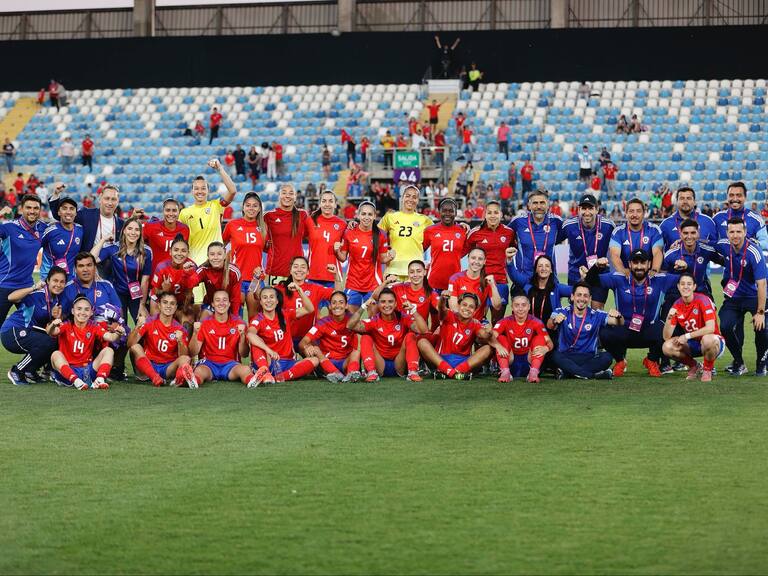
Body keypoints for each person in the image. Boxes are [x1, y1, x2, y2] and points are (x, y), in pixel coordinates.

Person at [585, 250, 680, 377]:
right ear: (629, 264)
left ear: (649, 264)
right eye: (635, 262)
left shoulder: (660, 280)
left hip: (649, 329)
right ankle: (620, 360)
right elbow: (590, 281)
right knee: (604, 332)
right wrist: (596, 267)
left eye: (643, 262)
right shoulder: (618, 279)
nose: (639, 266)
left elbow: (687, 280)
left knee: (671, 330)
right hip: (625, 329)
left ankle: (651, 360)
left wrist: (685, 268)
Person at [714, 218, 768, 376]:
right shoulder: (723, 245)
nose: (735, 235)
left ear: (745, 232)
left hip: (754, 297)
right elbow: (703, 243)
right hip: (734, 298)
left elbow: (762, 284)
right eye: (732, 231)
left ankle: (761, 363)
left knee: (762, 328)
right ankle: (739, 362)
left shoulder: (754, 252)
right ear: (727, 233)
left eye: (739, 231)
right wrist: (681, 243)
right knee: (725, 327)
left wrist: (760, 313)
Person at [178, 159, 236, 304]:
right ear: (192, 191)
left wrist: (220, 168)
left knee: (218, 303)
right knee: (197, 306)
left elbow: (233, 191)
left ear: (208, 190)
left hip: (215, 264)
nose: (200, 191)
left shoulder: (216, 205)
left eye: (203, 188)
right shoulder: (185, 213)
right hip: (195, 266)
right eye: (196, 188)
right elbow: (181, 241)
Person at [347, 288, 427, 382]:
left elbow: (423, 330)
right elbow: (350, 325)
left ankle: (413, 372)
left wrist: (413, 310)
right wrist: (363, 306)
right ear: (378, 304)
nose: (387, 305)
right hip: (380, 364)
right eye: (383, 302)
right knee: (366, 337)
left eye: (390, 302)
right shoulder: (374, 321)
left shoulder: (403, 317)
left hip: (400, 364)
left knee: (411, 336)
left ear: (396, 304)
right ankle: (371, 372)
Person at [2, 268, 66, 385]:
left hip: (28, 333)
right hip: (12, 331)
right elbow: (11, 297)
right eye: (55, 281)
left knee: (54, 341)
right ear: (48, 281)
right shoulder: (38, 294)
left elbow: (47, 330)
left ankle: (30, 371)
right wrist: (34, 287)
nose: (58, 284)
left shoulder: (55, 301)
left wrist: (54, 319)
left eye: (62, 282)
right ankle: (16, 371)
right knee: (46, 342)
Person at [48, 296, 125, 390]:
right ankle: (76, 381)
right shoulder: (66, 325)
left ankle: (100, 379)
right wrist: (53, 325)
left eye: (86, 309)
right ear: (73, 311)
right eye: (79, 309)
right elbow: (51, 332)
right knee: (55, 354)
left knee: (109, 350)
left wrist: (118, 333)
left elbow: (111, 337)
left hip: (87, 371)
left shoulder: (94, 326)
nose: (83, 312)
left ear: (91, 312)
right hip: (68, 371)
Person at [547, 282, 620, 380]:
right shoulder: (562, 311)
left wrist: (618, 316)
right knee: (553, 355)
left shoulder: (596, 314)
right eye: (579, 295)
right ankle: (592, 375)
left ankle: (567, 372)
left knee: (607, 357)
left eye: (585, 296)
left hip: (588, 357)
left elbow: (618, 322)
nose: (582, 299)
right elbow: (549, 325)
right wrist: (555, 321)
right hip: (566, 355)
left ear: (590, 298)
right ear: (572, 297)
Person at [247, 286, 319, 384]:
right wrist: (269, 350)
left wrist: (299, 290)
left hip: (288, 362)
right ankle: (266, 372)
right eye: (265, 297)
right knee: (256, 342)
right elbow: (250, 335)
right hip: (269, 361)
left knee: (314, 360)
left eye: (272, 297)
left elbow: (309, 309)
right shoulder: (258, 319)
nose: (268, 300)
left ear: (277, 301)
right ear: (260, 302)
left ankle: (278, 378)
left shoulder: (285, 314)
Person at [662, 273, 725, 383]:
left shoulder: (703, 300)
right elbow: (666, 336)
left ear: (694, 287)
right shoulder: (676, 305)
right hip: (693, 344)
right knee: (667, 347)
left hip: (714, 342)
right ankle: (694, 366)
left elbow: (710, 328)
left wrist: (686, 336)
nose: (685, 286)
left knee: (707, 339)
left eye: (689, 284)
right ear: (678, 286)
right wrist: (669, 317)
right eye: (682, 284)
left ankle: (707, 369)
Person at [188, 290, 259, 388]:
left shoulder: (239, 323)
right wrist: (195, 334)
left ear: (229, 303)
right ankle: (193, 381)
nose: (221, 303)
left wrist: (242, 336)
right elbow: (193, 352)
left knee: (246, 370)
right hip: (209, 364)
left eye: (225, 300)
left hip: (231, 365)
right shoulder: (204, 324)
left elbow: (244, 354)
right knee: (199, 371)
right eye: (217, 300)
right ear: (212, 304)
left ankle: (252, 380)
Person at [91, 216, 152, 324]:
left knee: (143, 323)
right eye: (130, 229)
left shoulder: (146, 251)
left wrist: (142, 305)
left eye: (137, 230)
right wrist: (103, 240)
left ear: (140, 233)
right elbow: (92, 258)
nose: (133, 232)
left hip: (137, 294)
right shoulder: (114, 248)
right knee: (120, 326)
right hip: (118, 293)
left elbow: (145, 280)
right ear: (124, 230)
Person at [558, 193, 615, 309]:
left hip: (600, 274)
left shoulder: (608, 226)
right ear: (579, 210)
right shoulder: (569, 225)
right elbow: (551, 241)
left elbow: (619, 246)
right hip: (577, 274)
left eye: (590, 208)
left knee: (597, 310)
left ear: (597, 209)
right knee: (576, 311)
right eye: (584, 208)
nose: (587, 212)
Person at [127, 291, 194, 388]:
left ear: (175, 307)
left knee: (186, 359)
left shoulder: (180, 329)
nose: (168, 306)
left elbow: (183, 356)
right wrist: (137, 327)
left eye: (172, 303)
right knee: (135, 347)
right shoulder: (149, 321)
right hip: (148, 365)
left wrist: (180, 342)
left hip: (167, 368)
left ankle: (179, 380)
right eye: (165, 302)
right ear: (159, 305)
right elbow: (130, 344)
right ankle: (155, 377)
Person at [418, 292, 493, 379]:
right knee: (422, 342)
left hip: (463, 362)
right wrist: (442, 299)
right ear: (458, 305)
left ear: (475, 310)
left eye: (471, 307)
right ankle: (453, 373)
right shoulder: (449, 315)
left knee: (488, 348)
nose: (467, 308)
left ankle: (451, 371)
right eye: (464, 305)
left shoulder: (475, 323)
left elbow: (484, 335)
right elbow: (441, 308)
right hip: (441, 359)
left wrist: (489, 331)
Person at [336, 201, 394, 312]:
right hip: (353, 283)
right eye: (363, 214)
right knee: (350, 322)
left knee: (374, 321)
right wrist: (336, 250)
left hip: (373, 285)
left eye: (369, 214)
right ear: (358, 215)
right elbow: (342, 258)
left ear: (374, 216)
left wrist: (391, 256)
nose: (366, 217)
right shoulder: (349, 232)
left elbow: (382, 259)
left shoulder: (381, 234)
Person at [0, 195, 47, 326]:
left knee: (36, 323)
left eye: (36, 208)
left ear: (40, 210)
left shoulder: (43, 228)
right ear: (21, 209)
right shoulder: (9, 227)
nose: (32, 211)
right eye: (28, 207)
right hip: (4, 285)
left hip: (26, 286)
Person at [274, 256, 341, 348]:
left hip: (308, 337)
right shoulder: (281, 288)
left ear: (308, 272)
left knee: (315, 357)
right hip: (286, 336)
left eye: (303, 267)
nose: (299, 269)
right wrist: (256, 280)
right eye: (296, 266)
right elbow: (262, 297)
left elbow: (337, 296)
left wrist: (336, 277)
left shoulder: (315, 288)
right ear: (290, 270)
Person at [465, 200, 514, 322]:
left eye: (496, 213)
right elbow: (467, 252)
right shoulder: (475, 233)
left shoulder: (509, 233)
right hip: (480, 282)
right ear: (485, 215)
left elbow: (514, 251)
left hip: (500, 282)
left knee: (497, 322)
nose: (493, 216)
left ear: (501, 215)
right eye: (489, 212)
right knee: (477, 321)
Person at [299, 291, 362, 383]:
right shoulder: (322, 323)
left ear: (346, 306)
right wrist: (307, 347)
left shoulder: (352, 321)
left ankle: (351, 373)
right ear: (330, 306)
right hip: (327, 361)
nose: (337, 305)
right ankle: (336, 373)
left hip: (345, 361)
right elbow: (303, 342)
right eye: (334, 302)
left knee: (356, 351)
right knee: (316, 349)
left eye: (341, 302)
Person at [491, 293, 554, 383]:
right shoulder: (504, 321)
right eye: (517, 305)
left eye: (523, 305)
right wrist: (498, 346)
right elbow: (490, 338)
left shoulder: (536, 322)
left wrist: (546, 348)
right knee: (500, 338)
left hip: (528, 361)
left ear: (529, 307)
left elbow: (550, 342)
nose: (520, 309)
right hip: (510, 361)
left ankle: (533, 373)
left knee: (540, 338)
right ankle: (505, 372)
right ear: (512, 307)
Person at [49, 183, 125, 253]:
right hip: (88, 264)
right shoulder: (86, 214)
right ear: (100, 198)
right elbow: (59, 215)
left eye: (113, 199)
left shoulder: (122, 224)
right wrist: (56, 194)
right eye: (107, 198)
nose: (110, 203)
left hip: (111, 266)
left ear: (118, 201)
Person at [377, 185, 433, 279]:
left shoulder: (425, 220)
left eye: (414, 197)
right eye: (407, 196)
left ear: (418, 200)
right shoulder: (390, 217)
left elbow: (441, 231)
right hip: (393, 270)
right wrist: (385, 253)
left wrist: (459, 225)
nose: (410, 199)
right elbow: (374, 235)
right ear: (402, 198)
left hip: (416, 271)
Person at [508, 188, 562, 280]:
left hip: (549, 280)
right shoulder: (518, 221)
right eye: (535, 203)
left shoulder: (556, 221)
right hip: (524, 280)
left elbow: (563, 236)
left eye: (542, 203)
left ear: (548, 205)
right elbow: (505, 236)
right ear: (529, 205)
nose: (539, 206)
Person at [506, 252, 572, 326]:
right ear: (536, 269)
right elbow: (515, 276)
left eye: (547, 266)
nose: (543, 268)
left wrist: (584, 278)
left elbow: (576, 291)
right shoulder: (528, 284)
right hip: (529, 332)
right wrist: (509, 260)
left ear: (551, 270)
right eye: (540, 266)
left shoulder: (557, 288)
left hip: (550, 332)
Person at [222, 192, 266, 300]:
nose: (251, 208)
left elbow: (270, 251)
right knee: (237, 315)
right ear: (243, 207)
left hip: (256, 279)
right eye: (248, 205)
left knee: (254, 316)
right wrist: (226, 272)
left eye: (255, 206)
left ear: (260, 208)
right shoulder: (232, 225)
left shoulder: (264, 228)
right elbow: (221, 248)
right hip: (237, 278)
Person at [264, 183, 309, 284]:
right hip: (275, 270)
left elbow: (311, 235)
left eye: (291, 193)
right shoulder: (268, 216)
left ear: (295, 197)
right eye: (284, 193)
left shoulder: (302, 215)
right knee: (274, 300)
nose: (287, 196)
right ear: (279, 196)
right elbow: (262, 242)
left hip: (297, 272)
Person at [149, 236, 198, 327]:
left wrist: (183, 309)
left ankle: (184, 340)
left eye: (183, 251)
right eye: (176, 250)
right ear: (170, 252)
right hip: (160, 298)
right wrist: (165, 290)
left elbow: (189, 293)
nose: (179, 253)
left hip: (181, 300)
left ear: (188, 253)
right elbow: (156, 292)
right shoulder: (161, 267)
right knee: (158, 323)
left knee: (188, 321)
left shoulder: (192, 267)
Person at [608, 198, 664, 275]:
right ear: (626, 213)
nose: (635, 215)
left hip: (648, 277)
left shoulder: (654, 230)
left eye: (638, 211)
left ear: (644, 213)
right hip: (625, 276)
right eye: (631, 211)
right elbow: (614, 255)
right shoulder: (618, 232)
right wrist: (623, 272)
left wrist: (654, 271)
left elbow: (657, 252)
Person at [188, 242, 242, 321]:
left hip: (229, 305)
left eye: (219, 254)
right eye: (212, 254)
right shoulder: (204, 269)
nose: (215, 257)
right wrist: (187, 273)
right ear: (208, 256)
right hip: (211, 305)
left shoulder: (234, 272)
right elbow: (190, 283)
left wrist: (235, 317)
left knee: (239, 327)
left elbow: (235, 298)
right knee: (201, 325)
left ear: (224, 256)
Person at [422, 198, 467, 293]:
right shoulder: (430, 230)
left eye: (451, 211)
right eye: (444, 211)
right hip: (434, 281)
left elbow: (466, 251)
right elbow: (419, 250)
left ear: (456, 213)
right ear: (439, 212)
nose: (447, 214)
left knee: (452, 308)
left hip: (454, 281)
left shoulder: (463, 231)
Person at [447, 248, 502, 321]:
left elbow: (497, 306)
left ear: (484, 261)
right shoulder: (455, 278)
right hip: (459, 321)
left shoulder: (487, 281)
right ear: (468, 258)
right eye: (473, 258)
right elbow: (453, 308)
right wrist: (469, 323)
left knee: (490, 331)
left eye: (480, 259)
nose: (476, 261)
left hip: (478, 323)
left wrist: (493, 286)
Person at [712, 182, 768, 252]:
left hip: (747, 260)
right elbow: (711, 242)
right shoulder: (717, 218)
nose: (735, 199)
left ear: (745, 197)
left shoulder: (756, 218)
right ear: (727, 197)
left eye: (739, 195)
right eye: (731, 195)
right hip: (724, 260)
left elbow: (765, 243)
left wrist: (755, 244)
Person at [306, 191, 346, 288]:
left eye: (330, 201)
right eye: (324, 201)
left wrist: (337, 251)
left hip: (333, 276)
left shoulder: (342, 224)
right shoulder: (310, 221)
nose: (327, 204)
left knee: (334, 303)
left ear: (335, 204)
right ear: (320, 204)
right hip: (313, 275)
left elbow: (343, 258)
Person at [142, 198, 190, 274]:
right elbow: (131, 235)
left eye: (174, 210)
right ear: (163, 211)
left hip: (177, 277)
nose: (171, 214)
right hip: (156, 276)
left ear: (178, 212)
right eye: (168, 210)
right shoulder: (151, 227)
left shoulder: (185, 229)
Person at [40, 195, 83, 279]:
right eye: (64, 208)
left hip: (71, 281)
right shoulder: (50, 230)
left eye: (71, 209)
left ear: (76, 213)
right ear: (59, 212)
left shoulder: (80, 230)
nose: (68, 212)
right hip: (50, 280)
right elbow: (32, 248)